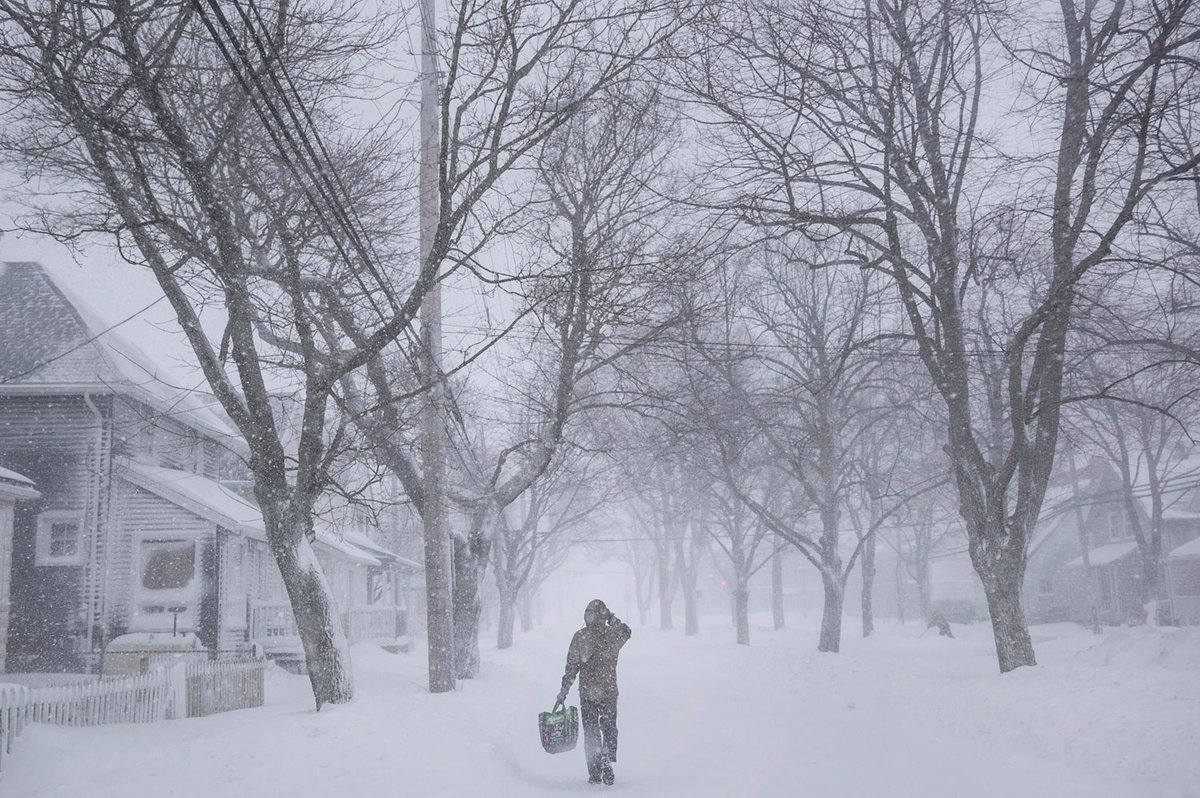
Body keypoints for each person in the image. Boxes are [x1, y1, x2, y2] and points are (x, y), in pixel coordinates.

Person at [556, 598, 632, 786]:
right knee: (609, 727)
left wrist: (564, 690)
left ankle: (595, 772)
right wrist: (612, 619)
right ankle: (606, 754)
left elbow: (572, 666)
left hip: (587, 692)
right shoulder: (612, 635)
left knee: (591, 733)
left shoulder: (580, 637)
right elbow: (627, 632)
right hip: (608, 690)